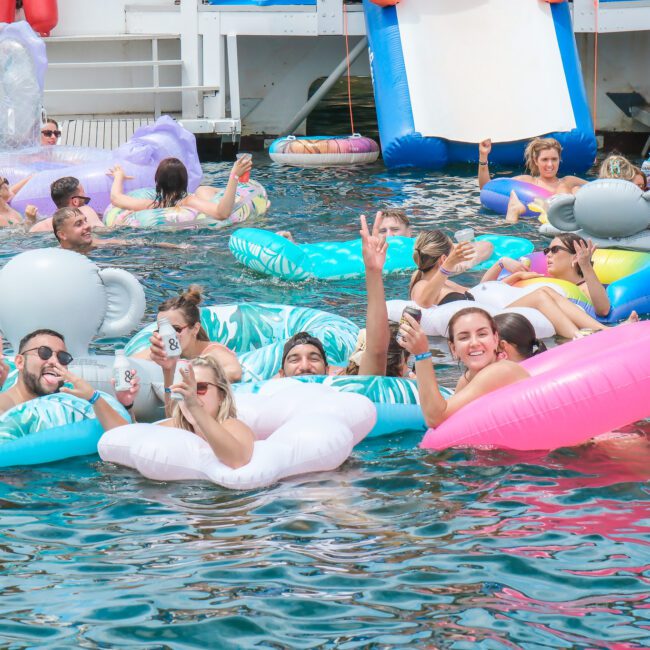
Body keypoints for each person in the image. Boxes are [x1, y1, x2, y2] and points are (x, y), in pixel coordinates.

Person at [409, 230, 613, 339]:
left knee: (546, 291)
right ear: (444, 258)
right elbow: (423, 301)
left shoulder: (444, 282)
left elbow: (477, 292)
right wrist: (448, 266)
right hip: (487, 320)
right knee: (542, 294)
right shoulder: (422, 283)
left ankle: (605, 331)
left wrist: (510, 276)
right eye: (454, 252)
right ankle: (577, 337)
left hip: (488, 311)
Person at [398, 307, 529, 427]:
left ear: (495, 339)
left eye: (482, 334)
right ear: (453, 348)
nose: (474, 343)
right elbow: (447, 425)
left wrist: (422, 354)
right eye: (464, 337)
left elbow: (436, 419)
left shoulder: (502, 371)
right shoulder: (465, 380)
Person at [0, 329, 137, 427]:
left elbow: (127, 442)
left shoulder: (75, 402)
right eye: (44, 352)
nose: (54, 361)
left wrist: (126, 405)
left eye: (62, 357)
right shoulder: (6, 405)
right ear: (19, 362)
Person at [159, 356, 254, 469]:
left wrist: (194, 406)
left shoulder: (233, 426)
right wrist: (131, 408)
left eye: (200, 387)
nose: (190, 394)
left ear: (221, 396)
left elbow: (238, 460)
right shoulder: (173, 427)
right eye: (184, 388)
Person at [134, 286, 242, 383]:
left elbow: (234, 372)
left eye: (176, 329)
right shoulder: (163, 350)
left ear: (195, 329)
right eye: (162, 330)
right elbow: (129, 363)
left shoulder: (211, 352)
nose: (168, 336)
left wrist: (189, 379)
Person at [107, 156, 252, 222]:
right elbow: (222, 213)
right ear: (185, 181)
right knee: (202, 190)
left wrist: (119, 175)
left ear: (157, 181)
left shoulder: (152, 205)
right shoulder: (189, 201)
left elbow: (116, 198)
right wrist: (234, 176)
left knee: (201, 191)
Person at [478, 137, 587, 223]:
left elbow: (599, 189)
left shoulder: (569, 182)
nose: (550, 164)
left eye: (554, 159)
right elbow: (488, 189)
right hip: (533, 230)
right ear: (536, 160)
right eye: (544, 159)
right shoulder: (527, 182)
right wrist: (483, 156)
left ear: (560, 159)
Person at [52, 207, 190, 254]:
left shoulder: (100, 244)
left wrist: (178, 247)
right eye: (78, 224)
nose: (87, 226)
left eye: (85, 221)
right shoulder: (53, 256)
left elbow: (140, 243)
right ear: (62, 235)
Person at [29, 176, 104, 233]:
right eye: (84, 198)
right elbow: (103, 233)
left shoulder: (39, 227)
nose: (85, 201)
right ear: (75, 202)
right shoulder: (85, 211)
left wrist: (32, 220)